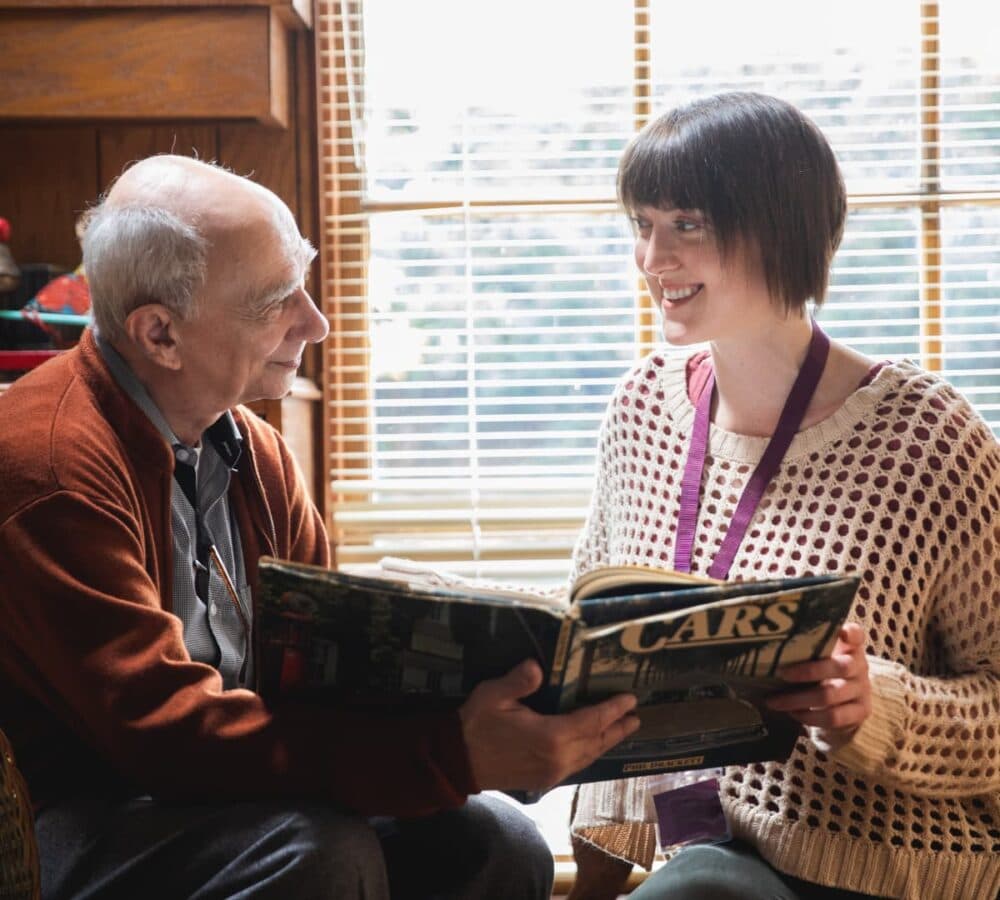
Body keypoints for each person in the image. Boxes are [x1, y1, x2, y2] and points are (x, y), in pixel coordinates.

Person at [0, 155, 641, 899]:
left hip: (227, 785)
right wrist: (449, 753)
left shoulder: (253, 447)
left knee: (497, 840)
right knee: (321, 852)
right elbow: (160, 734)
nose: (317, 322)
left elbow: (320, 670)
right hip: (75, 814)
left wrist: (502, 713)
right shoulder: (46, 468)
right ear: (160, 335)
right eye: (276, 300)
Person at [566, 93, 1000, 900]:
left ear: (782, 228)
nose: (652, 258)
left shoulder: (928, 440)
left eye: (687, 225)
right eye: (642, 224)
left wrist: (876, 709)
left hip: (885, 869)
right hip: (697, 854)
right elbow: (596, 653)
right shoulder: (640, 410)